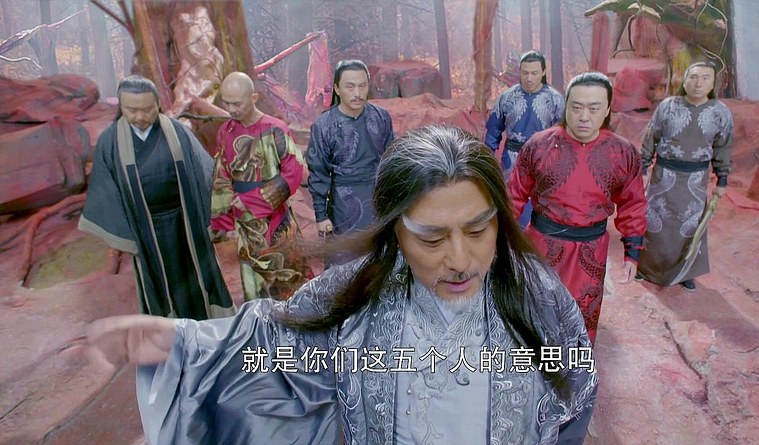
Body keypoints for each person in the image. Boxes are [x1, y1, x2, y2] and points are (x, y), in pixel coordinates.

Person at [85, 126, 598, 445]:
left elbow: (576, 391)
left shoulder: (538, 295)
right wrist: (182, 345)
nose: (461, 260)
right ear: (395, 230)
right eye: (432, 238)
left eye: (478, 230)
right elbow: (269, 346)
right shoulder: (355, 295)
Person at [507, 72, 647, 345]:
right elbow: (514, 196)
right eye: (577, 107)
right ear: (566, 106)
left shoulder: (622, 153)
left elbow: (633, 203)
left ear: (607, 109)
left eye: (594, 109)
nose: (584, 117)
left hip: (591, 250)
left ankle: (577, 364)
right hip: (542, 244)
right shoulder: (538, 145)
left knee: (583, 314)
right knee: (537, 310)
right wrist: (502, 241)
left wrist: (632, 252)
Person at [78, 75, 234, 320]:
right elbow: (105, 190)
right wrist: (125, 234)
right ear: (121, 106)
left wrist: (215, 215)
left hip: (186, 220)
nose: (140, 116)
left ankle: (207, 324)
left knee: (198, 275)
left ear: (157, 104)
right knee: (160, 282)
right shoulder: (111, 141)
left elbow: (205, 172)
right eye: (132, 110)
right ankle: (168, 331)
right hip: (146, 227)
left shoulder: (176, 131)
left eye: (147, 109)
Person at [210, 71, 308, 301]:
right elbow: (221, 176)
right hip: (244, 223)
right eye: (226, 103)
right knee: (254, 281)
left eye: (237, 103)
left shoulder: (275, 129)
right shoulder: (225, 132)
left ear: (253, 98)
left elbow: (293, 171)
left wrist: (251, 200)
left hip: (277, 218)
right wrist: (223, 220)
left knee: (288, 276)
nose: (231, 109)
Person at [636, 61, 734, 291]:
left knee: (689, 225)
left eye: (705, 78)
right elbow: (650, 137)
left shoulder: (721, 113)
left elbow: (723, 148)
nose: (698, 83)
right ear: (685, 80)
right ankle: (646, 267)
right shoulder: (668, 106)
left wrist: (722, 179)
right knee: (655, 223)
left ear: (713, 83)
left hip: (695, 181)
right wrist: (642, 168)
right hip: (663, 176)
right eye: (693, 77)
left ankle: (684, 272)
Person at [305, 59, 395, 262]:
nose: (357, 93)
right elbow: (318, 173)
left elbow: (392, 160)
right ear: (337, 88)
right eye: (350, 86)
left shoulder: (381, 117)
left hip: (377, 198)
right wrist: (321, 216)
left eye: (362, 86)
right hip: (343, 203)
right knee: (345, 261)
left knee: (379, 259)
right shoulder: (324, 126)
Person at [485, 50, 565, 226]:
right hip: (512, 157)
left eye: (534, 73)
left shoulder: (556, 99)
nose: (529, 78)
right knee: (513, 200)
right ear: (519, 72)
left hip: (544, 158)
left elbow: (563, 134)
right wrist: (488, 155)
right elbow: (493, 128)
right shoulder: (507, 97)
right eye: (525, 73)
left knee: (544, 200)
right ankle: (516, 236)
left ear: (543, 72)